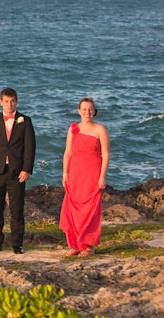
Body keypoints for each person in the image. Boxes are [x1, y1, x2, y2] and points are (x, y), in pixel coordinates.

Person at [0, 87, 36, 254]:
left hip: (17, 172)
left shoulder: (25, 121)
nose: (9, 104)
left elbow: (30, 148)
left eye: (12, 101)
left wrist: (26, 169)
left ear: (16, 102)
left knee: (17, 210)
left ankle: (17, 244)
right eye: (6, 101)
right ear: (1, 102)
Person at [59, 98, 110, 257]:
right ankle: (76, 244)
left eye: (90, 109)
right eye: (84, 109)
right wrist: (65, 173)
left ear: (94, 111)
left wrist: (102, 176)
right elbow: (67, 153)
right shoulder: (73, 129)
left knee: (90, 210)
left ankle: (89, 247)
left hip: (93, 173)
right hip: (75, 173)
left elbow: (106, 154)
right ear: (79, 111)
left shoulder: (100, 129)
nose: (87, 112)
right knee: (73, 209)